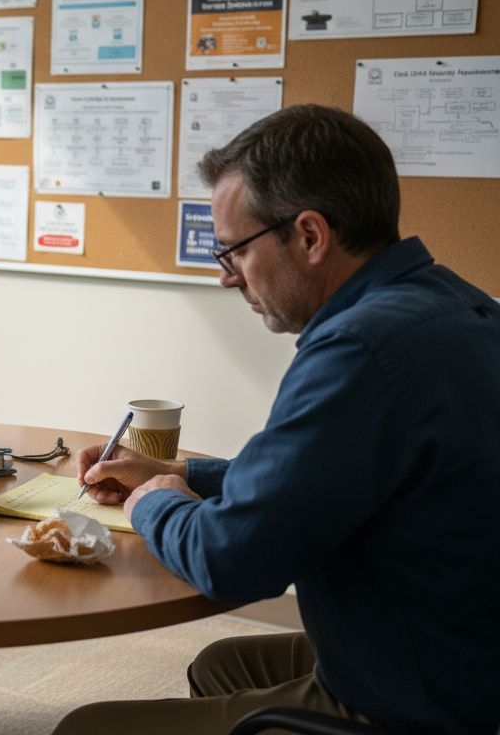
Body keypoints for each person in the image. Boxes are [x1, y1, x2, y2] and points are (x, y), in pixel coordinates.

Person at [56, 104, 500, 734]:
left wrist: (151, 501)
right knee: (222, 666)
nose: (224, 277)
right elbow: (326, 473)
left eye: (233, 250)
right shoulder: (452, 301)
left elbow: (234, 558)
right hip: (462, 646)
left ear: (310, 236)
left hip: (424, 701)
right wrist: (176, 469)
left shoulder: (358, 349)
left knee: (88, 728)